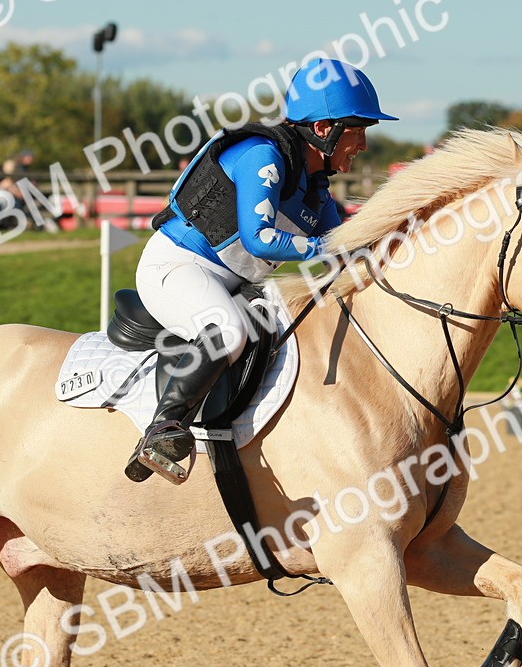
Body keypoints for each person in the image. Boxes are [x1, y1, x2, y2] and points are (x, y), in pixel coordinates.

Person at [124, 57, 397, 484]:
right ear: (324, 129)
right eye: (358, 130)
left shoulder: (316, 190)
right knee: (227, 329)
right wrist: (334, 244)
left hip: (233, 280)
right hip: (176, 266)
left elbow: (346, 252)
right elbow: (260, 239)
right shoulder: (261, 156)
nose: (361, 144)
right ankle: (162, 429)